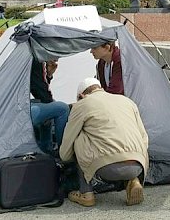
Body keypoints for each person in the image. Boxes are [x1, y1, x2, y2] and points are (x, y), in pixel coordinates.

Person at [60, 77, 149, 207]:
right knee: (124, 139)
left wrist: (65, 158)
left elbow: (68, 139)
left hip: (106, 168)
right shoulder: (127, 101)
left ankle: (86, 193)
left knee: (79, 137)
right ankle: (133, 180)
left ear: (81, 95)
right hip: (138, 165)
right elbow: (144, 138)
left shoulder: (82, 104)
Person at [30, 58, 70, 156]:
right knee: (62, 108)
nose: (57, 59)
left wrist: (49, 74)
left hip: (15, 106)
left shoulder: (32, 58)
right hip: (20, 111)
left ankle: (46, 149)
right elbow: (42, 92)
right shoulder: (37, 61)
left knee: (51, 109)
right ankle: (64, 151)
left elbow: (39, 89)